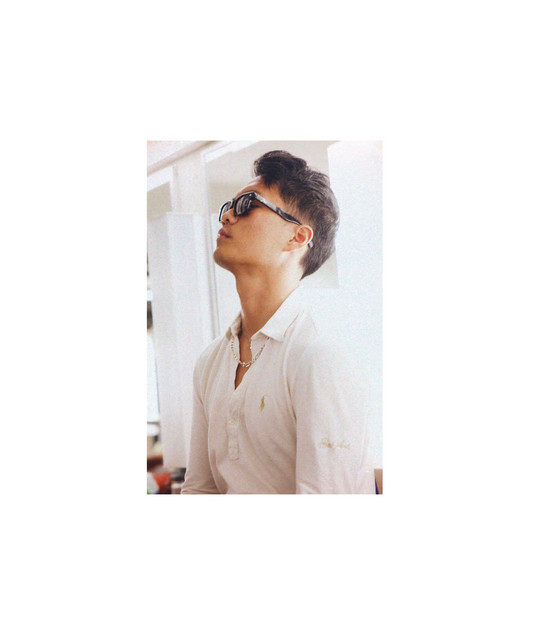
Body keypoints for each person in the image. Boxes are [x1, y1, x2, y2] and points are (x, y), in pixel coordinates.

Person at [181, 150, 375, 494]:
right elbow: (199, 489)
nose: (227, 217)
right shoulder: (210, 361)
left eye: (247, 206)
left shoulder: (319, 354)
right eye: (228, 207)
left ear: (297, 237)